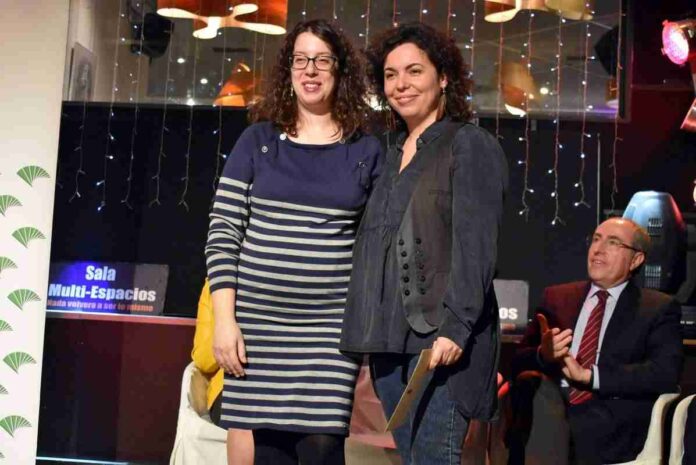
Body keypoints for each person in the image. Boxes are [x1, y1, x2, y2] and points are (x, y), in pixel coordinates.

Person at [205, 19, 383, 465]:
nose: (310, 70)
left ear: (340, 70)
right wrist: (225, 322)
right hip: (257, 329)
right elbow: (223, 232)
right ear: (288, 70)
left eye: (322, 60)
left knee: (322, 449)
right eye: (300, 59)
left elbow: (377, 245)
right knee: (268, 452)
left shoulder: (366, 151)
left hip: (329, 334)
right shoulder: (258, 141)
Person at [340, 22, 508, 465]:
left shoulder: (467, 144)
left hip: (441, 342)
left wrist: (456, 327)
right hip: (387, 344)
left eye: (414, 71)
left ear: (444, 77)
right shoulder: (390, 154)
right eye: (390, 75)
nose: (401, 84)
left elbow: (476, 247)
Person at [512, 217, 683, 465]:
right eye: (595, 239)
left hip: (609, 418)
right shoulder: (557, 297)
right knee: (531, 398)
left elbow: (664, 373)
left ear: (636, 259)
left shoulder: (657, 308)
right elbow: (517, 360)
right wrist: (543, 355)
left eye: (613, 243)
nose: (598, 249)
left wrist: (591, 377)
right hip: (550, 407)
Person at [191, 280, 253, 464]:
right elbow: (203, 361)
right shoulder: (216, 284)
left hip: (285, 381)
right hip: (231, 387)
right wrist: (222, 327)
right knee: (249, 423)